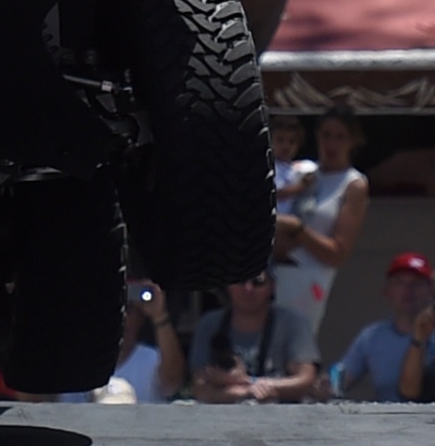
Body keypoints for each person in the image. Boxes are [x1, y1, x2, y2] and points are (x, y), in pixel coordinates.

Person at [272, 109, 370, 334]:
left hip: (307, 277)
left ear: (353, 141)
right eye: (326, 135)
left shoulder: (352, 184)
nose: (331, 143)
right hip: (270, 272)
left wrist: (298, 230)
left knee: (294, 344)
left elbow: (338, 253)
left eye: (340, 137)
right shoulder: (301, 171)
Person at [330, 253, 435, 402]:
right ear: (387, 290)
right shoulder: (372, 336)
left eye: (417, 283)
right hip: (389, 422)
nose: (408, 290)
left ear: (431, 290)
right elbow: (340, 377)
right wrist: (327, 385)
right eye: (399, 283)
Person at [191, 271, 320, 404]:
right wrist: (247, 391)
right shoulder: (210, 324)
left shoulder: (293, 322)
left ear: (272, 286)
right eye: (240, 281)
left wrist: (243, 381)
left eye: (257, 282)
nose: (248, 288)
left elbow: (306, 380)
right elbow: (200, 389)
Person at [60, 280, 184, 404]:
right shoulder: (73, 364)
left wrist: (159, 315)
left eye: (127, 310)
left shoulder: (151, 359)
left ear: (140, 319)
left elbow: (172, 383)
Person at [269, 115, 317, 216]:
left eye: (292, 141)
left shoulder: (302, 167)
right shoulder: (269, 167)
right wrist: (301, 186)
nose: (286, 146)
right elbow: (276, 193)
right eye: (280, 140)